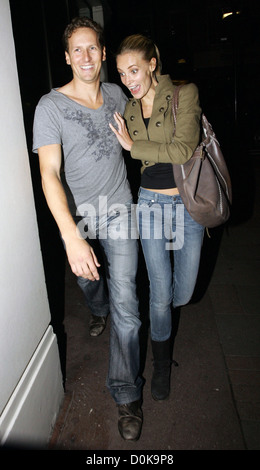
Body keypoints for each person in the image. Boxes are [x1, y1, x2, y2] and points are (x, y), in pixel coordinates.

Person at [33, 17, 143, 441]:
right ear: (66, 57)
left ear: (102, 52)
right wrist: (71, 236)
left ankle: (126, 392)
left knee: (127, 303)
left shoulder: (116, 94)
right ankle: (97, 309)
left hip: (119, 208)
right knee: (88, 282)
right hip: (77, 215)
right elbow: (49, 174)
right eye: (76, 50)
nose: (85, 56)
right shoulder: (50, 107)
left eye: (92, 48)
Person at [110, 34, 205, 402]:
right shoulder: (130, 109)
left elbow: (183, 149)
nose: (129, 79)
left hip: (187, 203)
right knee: (160, 293)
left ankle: (166, 322)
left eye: (134, 70)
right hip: (149, 203)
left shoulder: (185, 94)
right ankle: (161, 365)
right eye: (121, 73)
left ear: (152, 64)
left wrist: (134, 148)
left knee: (184, 291)